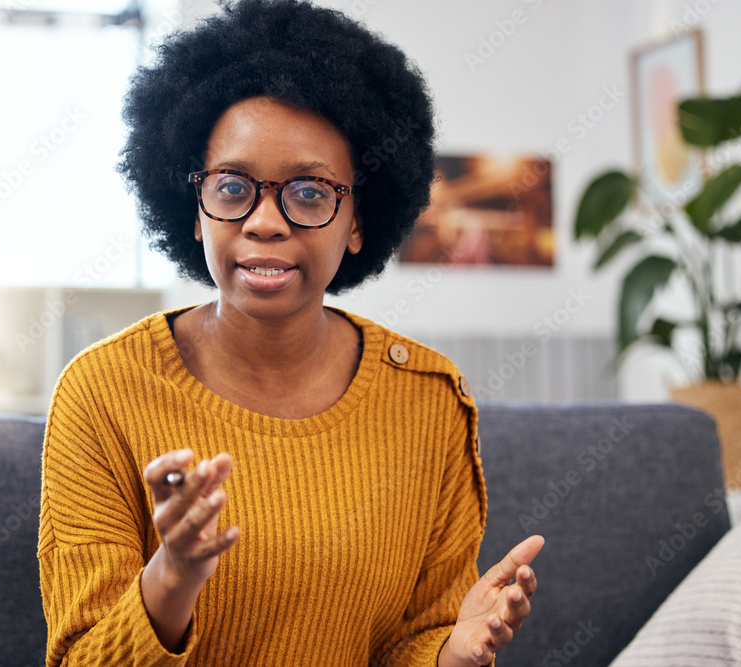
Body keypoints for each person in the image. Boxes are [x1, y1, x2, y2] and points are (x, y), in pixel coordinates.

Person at [37, 1, 544, 665]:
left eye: (308, 192)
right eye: (232, 187)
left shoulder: (430, 399)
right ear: (194, 211)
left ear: (358, 218)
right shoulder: (102, 392)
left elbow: (412, 641)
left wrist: (449, 654)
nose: (265, 222)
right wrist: (174, 575)